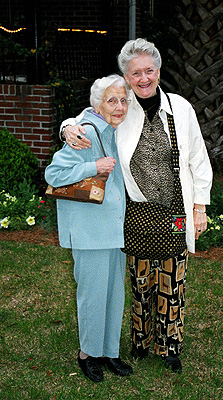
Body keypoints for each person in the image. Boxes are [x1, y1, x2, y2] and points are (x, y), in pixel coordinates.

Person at [60, 38, 213, 373]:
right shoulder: (122, 108)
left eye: (149, 70)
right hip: (136, 212)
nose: (143, 78)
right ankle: (141, 343)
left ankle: (169, 346)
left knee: (172, 278)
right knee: (141, 280)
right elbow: (89, 113)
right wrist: (67, 127)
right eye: (135, 73)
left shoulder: (181, 108)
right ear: (126, 77)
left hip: (174, 211)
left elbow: (198, 159)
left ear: (158, 71)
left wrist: (200, 206)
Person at [45, 74, 133, 383]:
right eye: (112, 100)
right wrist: (92, 167)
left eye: (123, 100)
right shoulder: (84, 132)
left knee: (113, 295)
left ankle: (109, 352)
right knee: (93, 296)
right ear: (97, 104)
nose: (119, 106)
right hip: (90, 230)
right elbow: (54, 174)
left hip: (114, 229)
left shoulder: (114, 128)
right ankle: (87, 355)